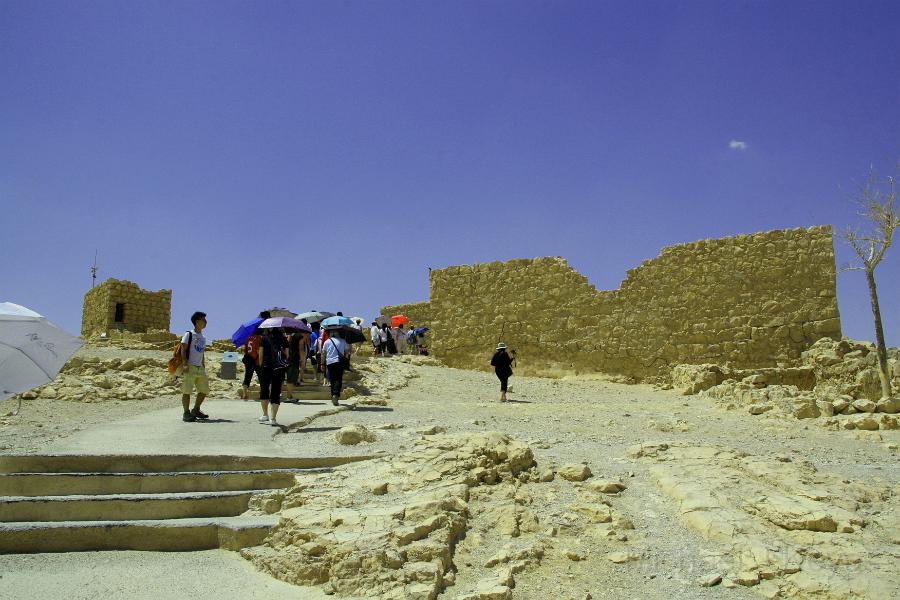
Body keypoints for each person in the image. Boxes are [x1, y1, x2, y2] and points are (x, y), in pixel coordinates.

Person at [181, 312, 209, 422]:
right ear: (197, 322)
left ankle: (196, 409)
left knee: (204, 390)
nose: (206, 322)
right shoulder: (189, 334)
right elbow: (183, 349)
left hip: (200, 367)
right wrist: (184, 364)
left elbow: (202, 352)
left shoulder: (203, 337)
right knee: (187, 391)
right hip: (190, 366)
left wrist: (203, 364)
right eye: (203, 320)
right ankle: (186, 413)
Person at [258, 327, 288, 426]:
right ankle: (273, 418)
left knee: (264, 389)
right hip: (279, 368)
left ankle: (265, 414)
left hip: (266, 367)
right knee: (276, 392)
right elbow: (287, 355)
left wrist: (261, 365)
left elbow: (260, 354)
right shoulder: (283, 339)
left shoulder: (264, 338)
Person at [322, 330, 350, 406]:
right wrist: (346, 359)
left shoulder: (327, 341)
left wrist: (322, 364)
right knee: (338, 379)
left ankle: (332, 395)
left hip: (330, 362)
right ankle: (335, 395)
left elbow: (323, 353)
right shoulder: (343, 341)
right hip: (339, 362)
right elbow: (347, 352)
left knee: (332, 379)